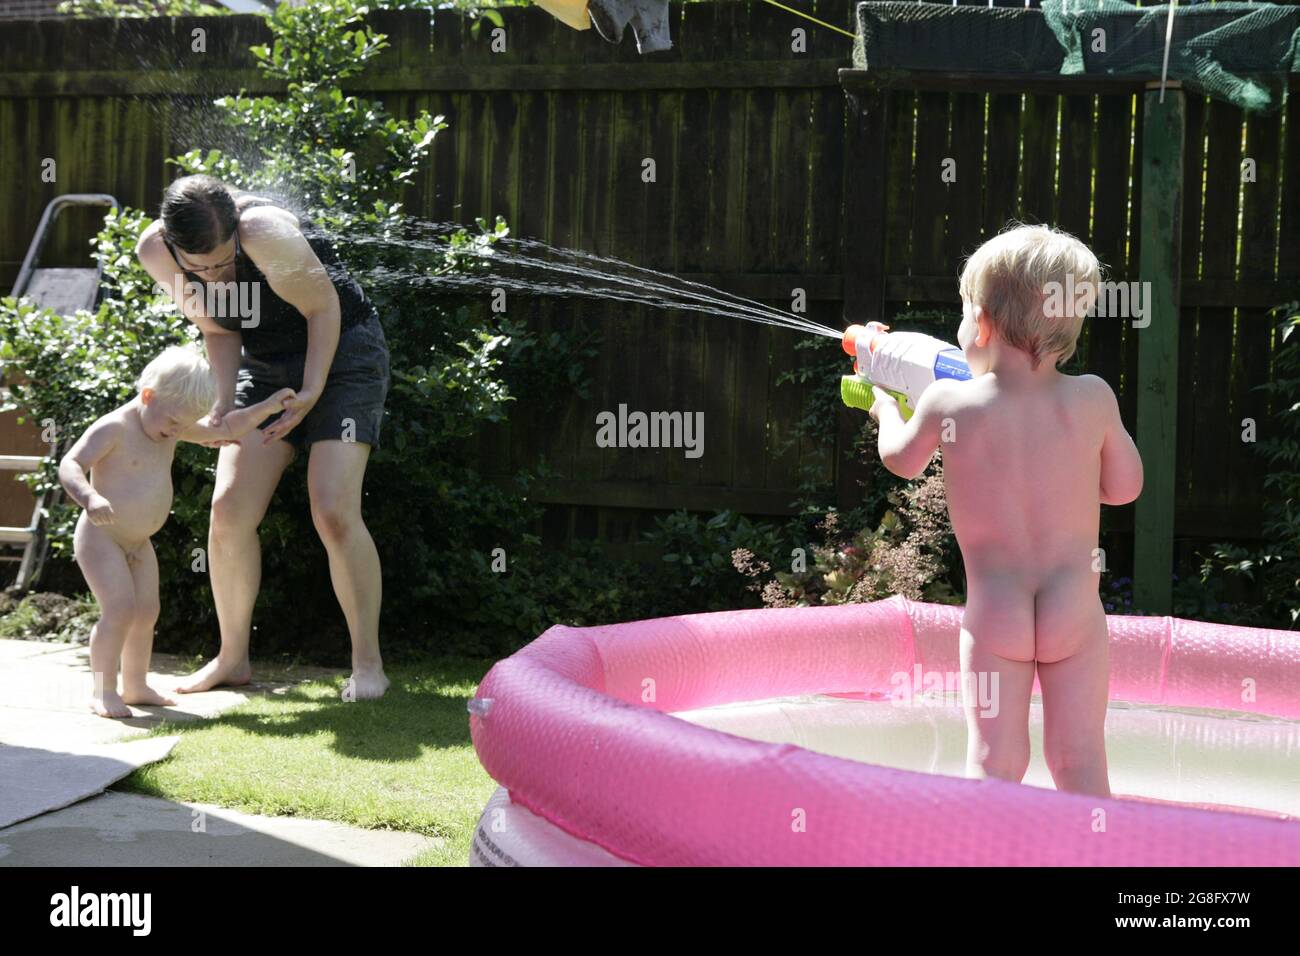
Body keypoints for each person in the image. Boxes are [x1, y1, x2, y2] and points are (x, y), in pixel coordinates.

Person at [870, 223, 1144, 797]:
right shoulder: (1092, 397)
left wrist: (884, 408)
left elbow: (901, 462)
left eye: (966, 309)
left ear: (986, 323)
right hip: (1074, 610)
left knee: (995, 762)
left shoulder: (951, 402)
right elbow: (1124, 489)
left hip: (998, 613)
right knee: (1079, 760)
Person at [135, 175, 392, 700]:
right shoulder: (157, 251)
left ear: (234, 230)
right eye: (199, 268)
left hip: (343, 357)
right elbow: (219, 330)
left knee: (333, 510)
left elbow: (324, 309)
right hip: (265, 365)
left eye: (222, 262)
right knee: (228, 509)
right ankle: (232, 660)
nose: (214, 275)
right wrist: (224, 408)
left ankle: (369, 666)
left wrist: (313, 392)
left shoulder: (264, 232)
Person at [59, 346, 293, 718]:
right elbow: (71, 463)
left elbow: (227, 427)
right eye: (172, 422)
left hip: (139, 542)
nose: (175, 431)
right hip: (102, 537)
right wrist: (88, 496)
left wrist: (266, 408)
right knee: (119, 610)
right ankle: (103, 690)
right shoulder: (115, 428)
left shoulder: (169, 422)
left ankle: (135, 685)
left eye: (182, 425)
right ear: (148, 396)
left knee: (147, 611)